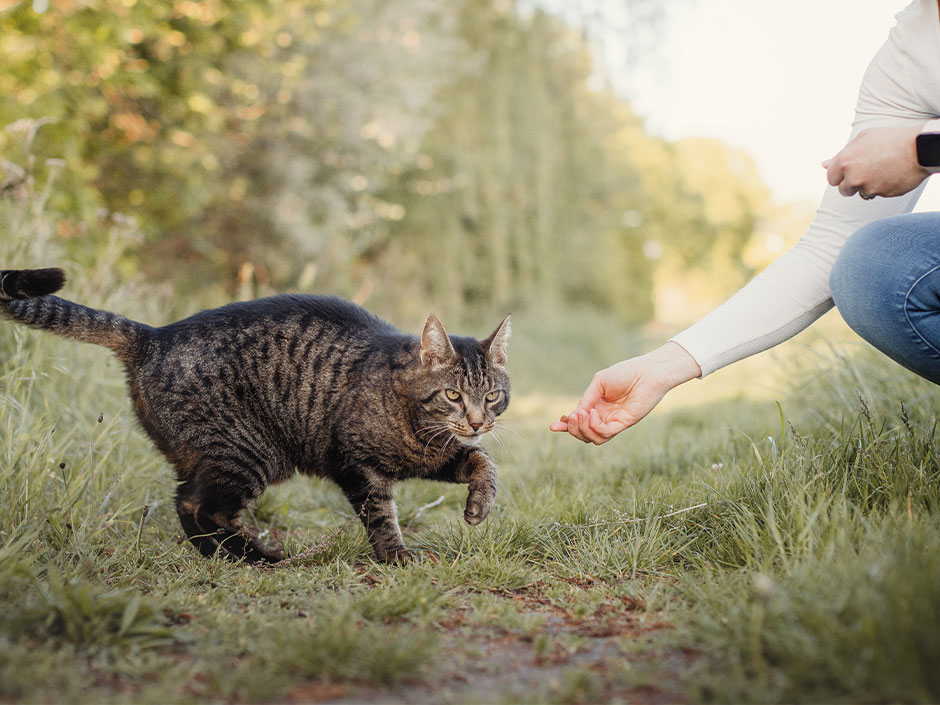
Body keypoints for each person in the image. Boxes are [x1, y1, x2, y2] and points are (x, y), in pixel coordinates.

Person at [551, 0, 940, 445]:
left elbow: (919, 148)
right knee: (873, 268)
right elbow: (830, 249)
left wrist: (922, 149)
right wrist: (662, 366)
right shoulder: (912, 52)